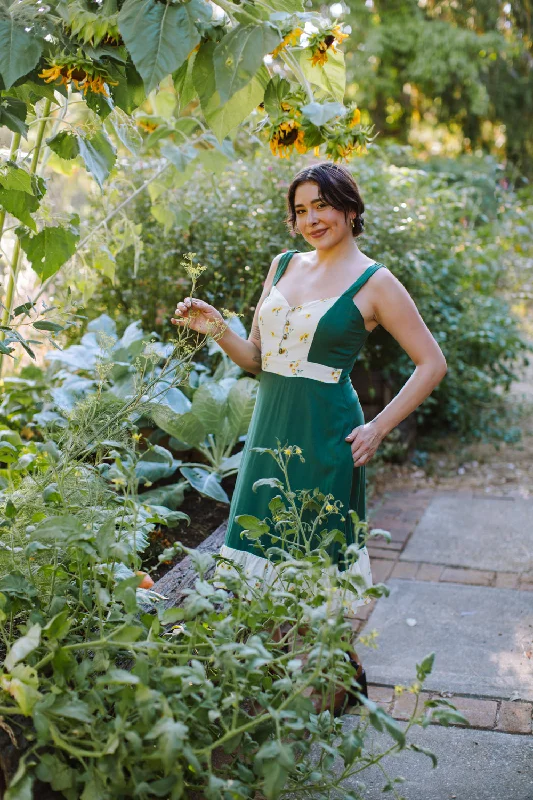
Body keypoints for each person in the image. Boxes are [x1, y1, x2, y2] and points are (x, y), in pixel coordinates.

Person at [171, 162, 447, 701]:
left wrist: (377, 427)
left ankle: (330, 682)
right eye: (301, 210)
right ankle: (318, 683)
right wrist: (217, 328)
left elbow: (431, 363)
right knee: (260, 549)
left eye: (322, 204)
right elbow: (257, 359)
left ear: (349, 206)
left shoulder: (376, 281)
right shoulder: (281, 266)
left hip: (325, 434)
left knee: (310, 562)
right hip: (270, 429)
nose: (312, 218)